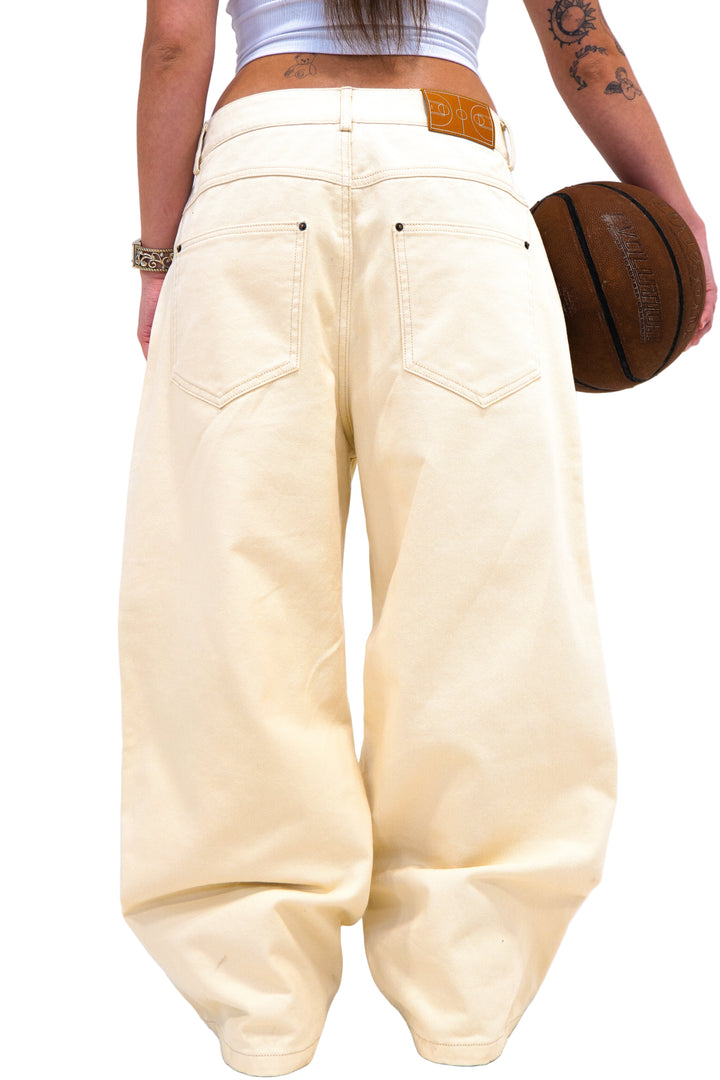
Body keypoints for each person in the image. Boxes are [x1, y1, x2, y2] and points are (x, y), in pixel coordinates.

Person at [119, 2, 716, 1076]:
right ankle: (466, 993)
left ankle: (261, 1004)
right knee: (487, 594)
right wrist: (673, 211)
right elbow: (582, 44)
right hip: (453, 175)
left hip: (258, 177)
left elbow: (175, 44)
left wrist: (159, 257)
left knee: (234, 590)